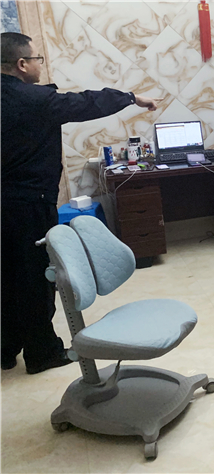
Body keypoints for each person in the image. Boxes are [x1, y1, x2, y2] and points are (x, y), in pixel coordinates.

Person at [1, 32, 161, 374]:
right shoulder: (34, 100)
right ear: (21, 64)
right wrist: (132, 97)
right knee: (34, 279)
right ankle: (42, 353)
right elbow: (87, 103)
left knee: (5, 277)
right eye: (37, 59)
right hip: (28, 204)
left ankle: (5, 349)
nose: (40, 65)